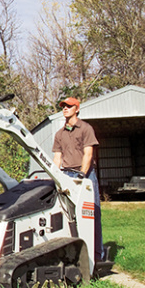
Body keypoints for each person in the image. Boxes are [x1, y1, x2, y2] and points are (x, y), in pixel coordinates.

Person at [52, 97, 105, 262]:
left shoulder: (85, 128)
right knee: (68, 216)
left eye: (69, 106)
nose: (65, 108)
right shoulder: (59, 134)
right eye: (63, 106)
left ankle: (96, 257)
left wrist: (82, 174)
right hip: (66, 176)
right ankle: (73, 257)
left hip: (85, 175)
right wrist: (54, 176)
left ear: (77, 108)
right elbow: (57, 158)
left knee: (91, 214)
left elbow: (88, 154)